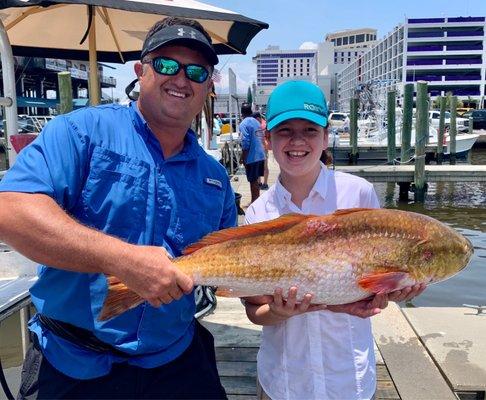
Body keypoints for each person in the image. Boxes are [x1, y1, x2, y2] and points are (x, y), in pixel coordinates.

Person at [0, 17, 236, 399]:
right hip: (73, 361)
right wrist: (122, 259)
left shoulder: (214, 176)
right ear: (140, 71)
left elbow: (226, 265)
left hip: (173, 359)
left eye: (196, 71)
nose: (181, 79)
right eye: (165, 65)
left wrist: (288, 297)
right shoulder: (80, 132)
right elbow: (9, 210)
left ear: (208, 86)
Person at [243, 80, 426, 400]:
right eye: (285, 130)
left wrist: (395, 290)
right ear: (268, 140)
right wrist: (282, 312)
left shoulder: (359, 194)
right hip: (283, 381)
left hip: (348, 380)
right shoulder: (259, 212)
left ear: (326, 137)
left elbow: (376, 281)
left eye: (310, 130)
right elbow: (254, 310)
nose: (297, 140)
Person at [239, 103, 266, 203]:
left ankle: (254, 202)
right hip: (260, 155)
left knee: (252, 181)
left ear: (242, 113)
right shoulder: (256, 122)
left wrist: (243, 157)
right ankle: (256, 201)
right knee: (256, 180)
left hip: (252, 156)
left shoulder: (244, 124)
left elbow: (245, 143)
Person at [252, 112, 270, 190]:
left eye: (254, 119)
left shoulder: (261, 125)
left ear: (258, 118)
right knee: (262, 166)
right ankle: (262, 183)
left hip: (262, 147)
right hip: (262, 147)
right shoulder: (264, 124)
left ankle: (263, 183)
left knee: (264, 166)